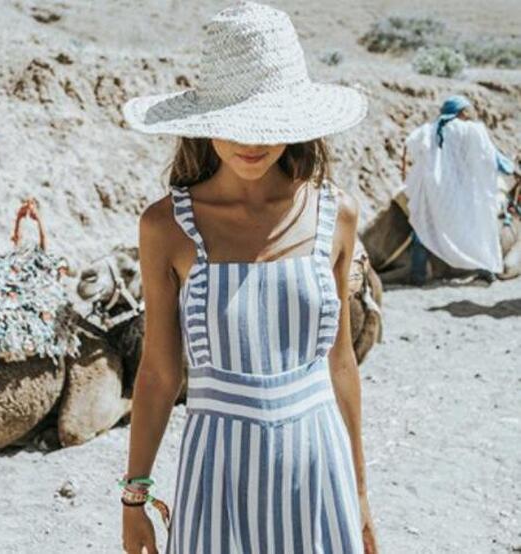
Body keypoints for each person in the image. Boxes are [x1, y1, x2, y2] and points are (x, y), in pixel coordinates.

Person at [117, 3, 378, 553]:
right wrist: (134, 498)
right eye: (236, 121)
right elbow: (160, 373)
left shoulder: (336, 214)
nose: (252, 141)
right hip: (218, 473)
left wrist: (359, 493)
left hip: (319, 468)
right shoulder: (166, 227)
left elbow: (340, 363)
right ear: (206, 119)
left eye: (269, 121)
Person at [400, 94, 515, 284]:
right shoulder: (473, 130)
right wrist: (510, 168)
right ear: (462, 111)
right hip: (464, 192)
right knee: (479, 227)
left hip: (435, 191)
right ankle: (486, 270)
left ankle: (417, 275)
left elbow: (410, 145)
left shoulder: (429, 130)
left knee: (424, 228)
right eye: (468, 110)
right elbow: (491, 157)